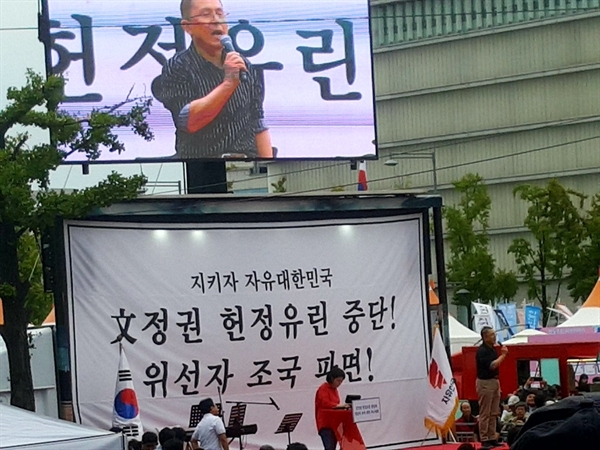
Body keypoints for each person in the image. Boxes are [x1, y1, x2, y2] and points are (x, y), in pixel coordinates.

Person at [152, 0, 273, 159]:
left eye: (220, 13)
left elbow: (257, 122)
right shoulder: (178, 66)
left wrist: (270, 168)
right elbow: (188, 121)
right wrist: (228, 84)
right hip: (203, 167)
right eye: (206, 14)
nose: (216, 20)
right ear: (187, 26)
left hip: (245, 164)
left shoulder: (244, 66)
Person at [314, 366, 365, 450]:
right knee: (329, 447)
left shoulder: (334, 390)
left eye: (341, 381)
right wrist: (340, 406)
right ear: (331, 378)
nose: (339, 383)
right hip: (325, 424)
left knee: (336, 445)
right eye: (338, 380)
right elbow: (325, 403)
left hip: (335, 422)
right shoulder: (323, 389)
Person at [475, 326, 508, 449]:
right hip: (485, 382)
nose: (494, 337)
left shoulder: (493, 349)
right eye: (492, 335)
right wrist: (503, 355)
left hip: (494, 381)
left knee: (494, 412)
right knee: (485, 412)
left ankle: (492, 436)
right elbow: (492, 365)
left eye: (494, 334)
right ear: (485, 337)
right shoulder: (482, 351)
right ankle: (484, 438)